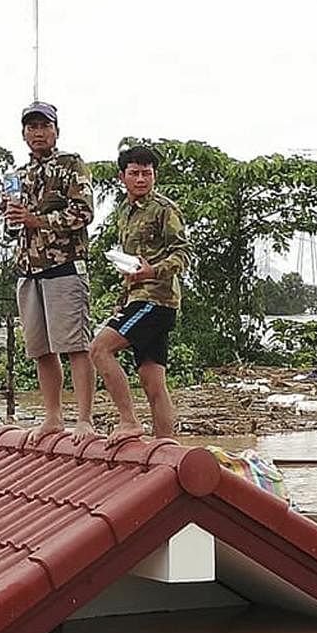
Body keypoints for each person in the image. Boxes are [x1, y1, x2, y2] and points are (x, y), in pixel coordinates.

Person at [5, 101, 97, 444]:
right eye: (31, 127)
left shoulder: (71, 165)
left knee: (75, 345)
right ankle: (53, 417)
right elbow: (12, 228)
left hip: (64, 267)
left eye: (44, 126)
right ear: (24, 133)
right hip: (28, 270)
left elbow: (83, 213)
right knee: (41, 349)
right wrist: (12, 216)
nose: (38, 132)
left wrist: (36, 220)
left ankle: (84, 419)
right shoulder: (17, 175)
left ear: (56, 130)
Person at [89, 146, 192, 444]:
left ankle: (129, 421)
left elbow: (184, 253)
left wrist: (152, 271)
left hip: (156, 300)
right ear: (122, 176)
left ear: (154, 176)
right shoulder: (124, 212)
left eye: (147, 173)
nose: (141, 179)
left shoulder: (164, 209)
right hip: (136, 298)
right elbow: (132, 261)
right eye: (134, 173)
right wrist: (126, 287)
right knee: (152, 381)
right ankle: (165, 447)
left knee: (100, 349)